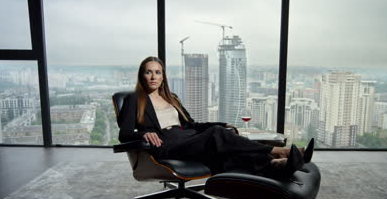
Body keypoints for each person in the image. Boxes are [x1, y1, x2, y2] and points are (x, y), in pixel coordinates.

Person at [118, 56, 314, 179]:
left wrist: (222, 123)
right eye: (148, 72)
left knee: (223, 146)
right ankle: (279, 152)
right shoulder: (134, 100)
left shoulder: (172, 98)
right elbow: (124, 135)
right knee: (217, 134)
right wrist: (144, 133)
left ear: (163, 77)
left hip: (187, 138)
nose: (153, 76)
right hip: (167, 145)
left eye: (157, 72)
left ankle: (274, 165)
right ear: (142, 75)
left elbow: (193, 124)